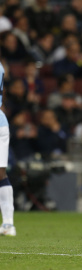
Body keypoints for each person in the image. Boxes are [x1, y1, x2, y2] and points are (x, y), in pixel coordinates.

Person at [0, 61, 16, 236]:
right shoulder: (1, 66)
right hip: (1, 121)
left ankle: (8, 224)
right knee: (1, 173)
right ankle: (8, 224)